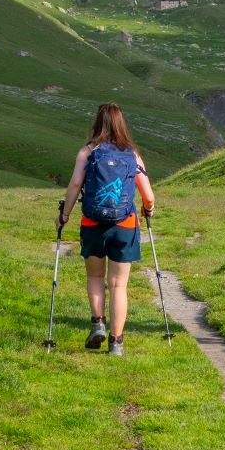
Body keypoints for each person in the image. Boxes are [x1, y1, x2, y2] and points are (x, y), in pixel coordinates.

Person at [61, 103, 155, 356]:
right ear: (121, 123)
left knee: (94, 277)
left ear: (97, 122)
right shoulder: (132, 155)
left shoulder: (88, 152)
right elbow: (148, 195)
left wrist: (65, 214)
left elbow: (75, 184)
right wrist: (149, 209)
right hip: (124, 225)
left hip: (93, 224)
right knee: (118, 285)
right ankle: (116, 342)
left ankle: (97, 324)